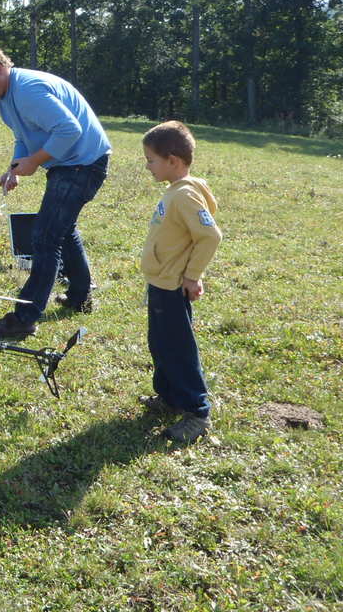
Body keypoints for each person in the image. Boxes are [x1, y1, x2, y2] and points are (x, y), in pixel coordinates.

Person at [0, 44, 111, 338]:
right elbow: (23, 135)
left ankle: (24, 318)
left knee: (45, 235)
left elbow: (70, 130)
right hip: (69, 163)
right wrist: (15, 167)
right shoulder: (5, 97)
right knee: (62, 230)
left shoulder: (28, 90)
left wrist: (35, 161)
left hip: (84, 163)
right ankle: (80, 297)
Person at [139, 121, 222, 443]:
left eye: (151, 160)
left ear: (172, 160)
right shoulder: (175, 191)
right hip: (160, 281)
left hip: (173, 285)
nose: (148, 166)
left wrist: (192, 276)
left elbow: (210, 235)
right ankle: (170, 397)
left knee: (178, 348)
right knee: (160, 343)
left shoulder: (185, 195)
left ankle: (196, 412)